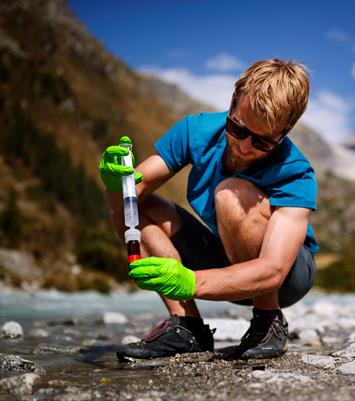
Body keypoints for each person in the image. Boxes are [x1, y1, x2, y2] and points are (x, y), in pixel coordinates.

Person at [98, 59, 318, 361]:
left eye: (263, 142)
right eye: (237, 128)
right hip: (228, 257)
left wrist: (191, 281)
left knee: (230, 193)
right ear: (232, 103)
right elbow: (125, 205)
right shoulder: (197, 131)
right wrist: (116, 184)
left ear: (284, 132)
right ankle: (186, 327)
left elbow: (274, 269)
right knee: (139, 202)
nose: (244, 147)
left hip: (287, 276)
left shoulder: (296, 172)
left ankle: (268, 320)